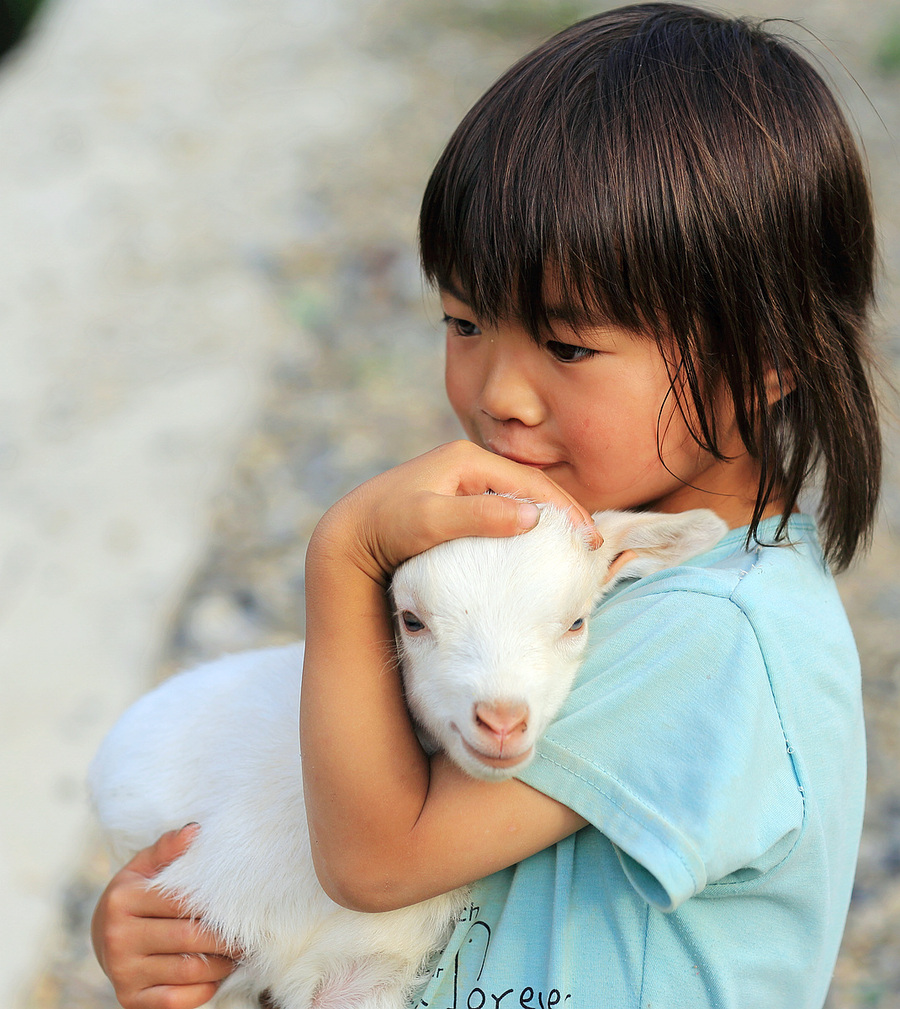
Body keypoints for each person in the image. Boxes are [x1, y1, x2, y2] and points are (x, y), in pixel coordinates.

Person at [91, 4, 883, 1007]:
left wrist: (345, 556)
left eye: (567, 345)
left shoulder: (714, 628)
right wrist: (192, 921)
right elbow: (351, 860)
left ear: (768, 359)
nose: (496, 392)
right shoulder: (556, 560)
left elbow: (375, 860)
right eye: (464, 320)